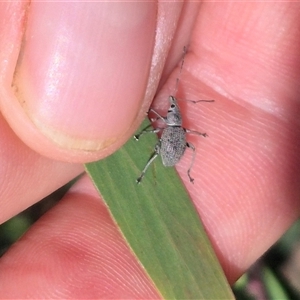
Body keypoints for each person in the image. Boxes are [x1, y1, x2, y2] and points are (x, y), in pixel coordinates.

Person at [0, 2, 299, 298]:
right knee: (165, 140)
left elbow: (164, 127)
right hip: (173, 144)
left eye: (173, 113)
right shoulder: (174, 126)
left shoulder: (172, 126)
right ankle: (155, 171)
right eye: (173, 113)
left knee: (158, 148)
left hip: (170, 148)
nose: (171, 112)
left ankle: (145, 173)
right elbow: (168, 127)